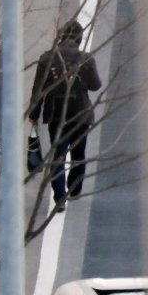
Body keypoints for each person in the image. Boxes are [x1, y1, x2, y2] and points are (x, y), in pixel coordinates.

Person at [28, 19, 102, 213]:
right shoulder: (86, 58)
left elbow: (39, 91)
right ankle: (75, 190)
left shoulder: (47, 59)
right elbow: (96, 85)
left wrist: (34, 114)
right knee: (78, 153)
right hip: (81, 114)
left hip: (56, 114)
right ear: (80, 38)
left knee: (58, 156)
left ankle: (60, 196)